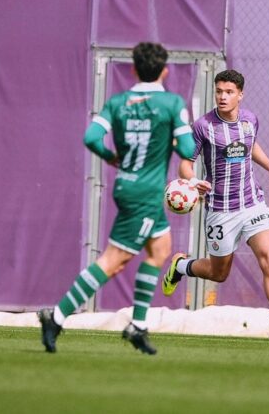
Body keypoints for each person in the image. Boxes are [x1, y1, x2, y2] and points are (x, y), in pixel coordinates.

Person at [38, 42, 195, 355]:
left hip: (126, 185)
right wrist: (172, 141)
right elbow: (189, 150)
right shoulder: (172, 103)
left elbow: (91, 138)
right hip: (147, 195)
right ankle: (55, 317)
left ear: (134, 69)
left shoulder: (118, 102)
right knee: (113, 262)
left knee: (160, 249)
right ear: (164, 71)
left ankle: (138, 325)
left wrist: (112, 157)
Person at [162, 69, 269, 341]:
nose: (222, 97)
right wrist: (193, 182)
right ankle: (180, 266)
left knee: (267, 254)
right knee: (219, 273)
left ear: (240, 94)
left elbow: (250, 147)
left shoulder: (250, 120)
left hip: (252, 203)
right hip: (220, 211)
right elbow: (185, 164)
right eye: (219, 92)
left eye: (228, 92)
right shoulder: (203, 126)